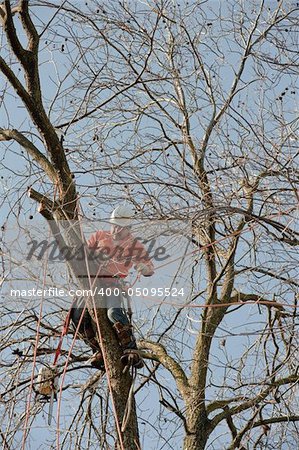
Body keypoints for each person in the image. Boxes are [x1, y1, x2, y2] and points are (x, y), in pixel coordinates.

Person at [71, 203, 154, 369]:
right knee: (77, 317)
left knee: (113, 313)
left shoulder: (133, 245)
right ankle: (98, 350)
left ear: (128, 228)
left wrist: (143, 268)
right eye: (114, 226)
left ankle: (131, 350)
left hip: (112, 284)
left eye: (120, 228)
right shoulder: (100, 236)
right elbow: (82, 253)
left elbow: (149, 268)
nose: (116, 230)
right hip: (92, 282)